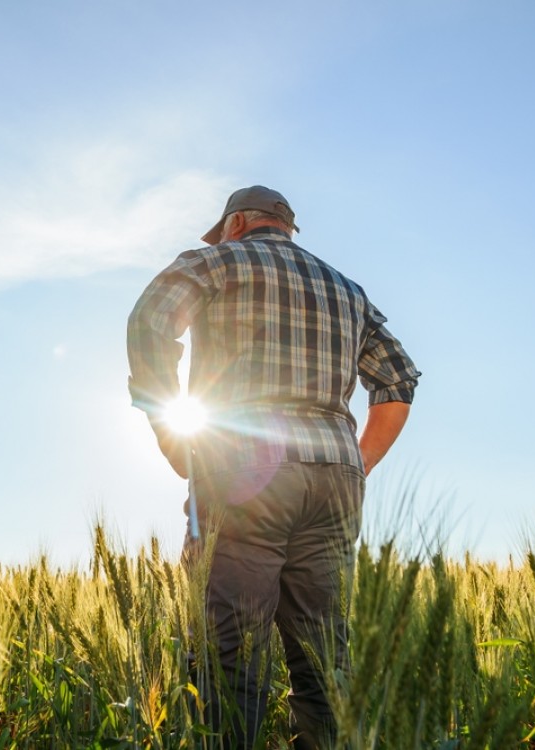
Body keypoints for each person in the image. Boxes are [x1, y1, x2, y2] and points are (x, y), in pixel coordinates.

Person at [126, 186, 420, 748]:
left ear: (236, 222)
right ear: (285, 227)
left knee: (229, 646)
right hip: (333, 477)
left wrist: (171, 432)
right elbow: (398, 380)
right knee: (324, 651)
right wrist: (359, 462)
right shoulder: (347, 290)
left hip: (243, 467)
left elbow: (150, 322)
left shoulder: (215, 261)